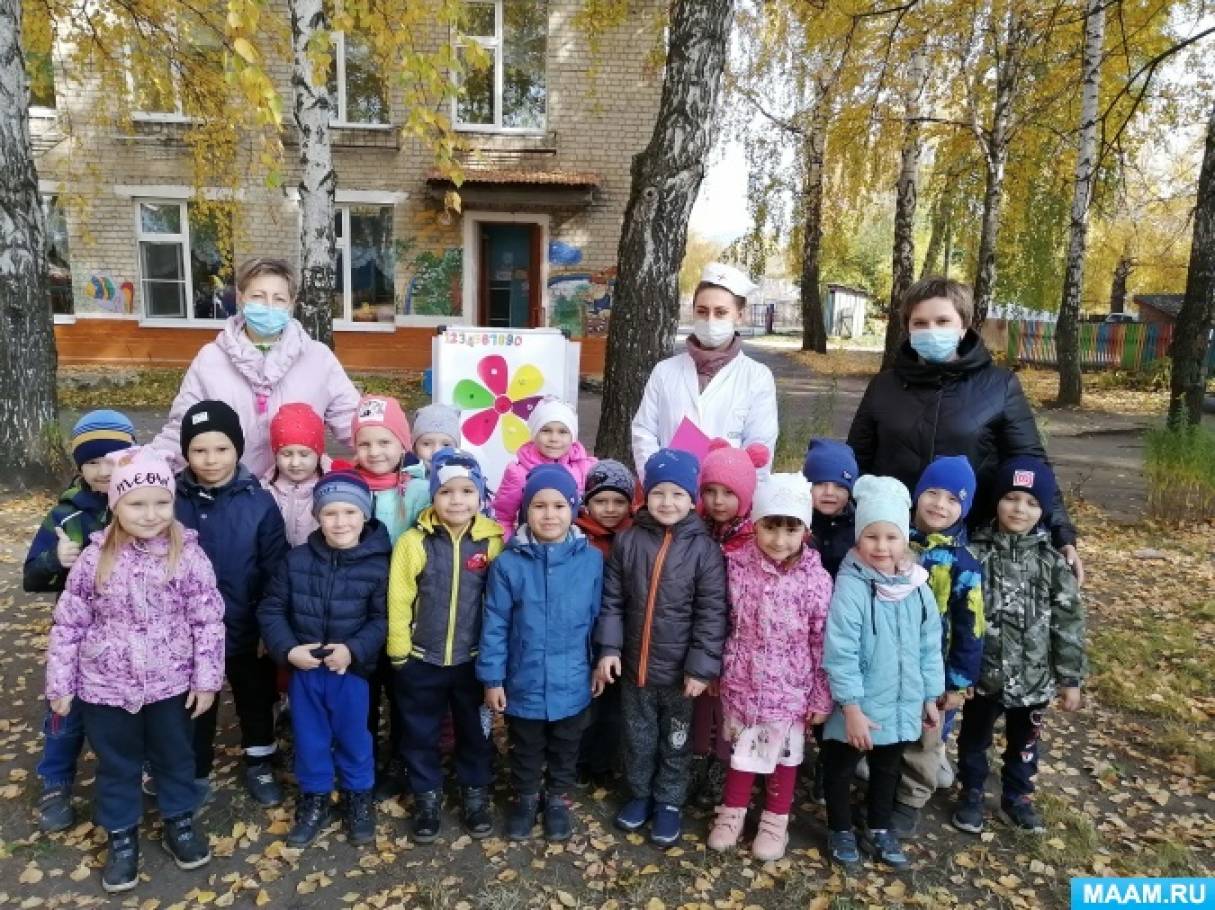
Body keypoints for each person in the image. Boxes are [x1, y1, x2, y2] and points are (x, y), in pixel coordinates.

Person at [44, 447, 224, 893]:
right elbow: (69, 624)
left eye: (161, 502)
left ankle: (179, 819)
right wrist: (61, 684)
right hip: (106, 687)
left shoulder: (188, 555)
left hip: (171, 684)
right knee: (117, 763)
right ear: (116, 505)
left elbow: (207, 620)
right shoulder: (93, 558)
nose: (150, 514)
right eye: (137, 504)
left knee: (175, 756)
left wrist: (206, 678)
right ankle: (121, 834)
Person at [847, 276, 1084, 584]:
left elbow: (1030, 462)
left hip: (971, 544)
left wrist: (1062, 533)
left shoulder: (999, 386)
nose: (931, 330)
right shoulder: (883, 387)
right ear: (908, 329)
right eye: (920, 323)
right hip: (892, 541)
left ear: (964, 326)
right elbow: (856, 462)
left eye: (942, 321)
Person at [594, 448, 728, 846]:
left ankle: (669, 801)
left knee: (676, 741)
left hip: (680, 676)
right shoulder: (629, 540)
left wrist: (701, 668)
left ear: (692, 499)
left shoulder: (704, 549)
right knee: (638, 738)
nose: (667, 502)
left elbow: (711, 612)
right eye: (658, 493)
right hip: (635, 669)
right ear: (645, 495)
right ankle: (639, 794)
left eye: (677, 494)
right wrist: (610, 649)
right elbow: (612, 601)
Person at [953, 457, 1086, 836]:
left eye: (1031, 502)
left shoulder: (1052, 563)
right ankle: (971, 793)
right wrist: (958, 674)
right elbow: (958, 618)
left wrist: (1070, 679)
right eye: (1011, 498)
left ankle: (1017, 798)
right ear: (996, 501)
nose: (1019, 509)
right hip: (984, 678)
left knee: (1024, 745)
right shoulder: (974, 554)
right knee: (974, 741)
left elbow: (1068, 624)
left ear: (1043, 511)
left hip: (1034, 680)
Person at [259, 472, 390, 848]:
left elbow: (384, 618)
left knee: (355, 737)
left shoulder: (379, 564)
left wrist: (354, 650)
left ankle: (357, 796)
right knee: (310, 737)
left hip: (351, 672)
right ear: (317, 516)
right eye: (330, 513)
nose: (340, 521)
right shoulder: (296, 560)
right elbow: (271, 608)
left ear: (364, 515)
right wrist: (288, 651)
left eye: (350, 512)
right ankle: (314, 797)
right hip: (306, 669)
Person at [706, 474, 833, 862]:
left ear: (805, 531)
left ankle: (775, 820)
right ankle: (733, 812)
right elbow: (722, 621)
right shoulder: (735, 567)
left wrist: (821, 695)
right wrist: (716, 669)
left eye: (791, 529)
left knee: (783, 759)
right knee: (742, 752)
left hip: (791, 690)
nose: (779, 540)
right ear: (755, 524)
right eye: (770, 527)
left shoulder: (815, 579)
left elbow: (822, 640)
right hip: (742, 683)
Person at [821, 475, 944, 870]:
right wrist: (851, 707)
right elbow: (840, 650)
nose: (881, 546)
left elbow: (929, 645)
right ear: (859, 537)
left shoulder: (917, 586)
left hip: (901, 700)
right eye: (871, 536)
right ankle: (840, 828)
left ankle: (879, 825)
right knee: (840, 767)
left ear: (904, 539)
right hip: (857, 704)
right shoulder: (851, 586)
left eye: (891, 537)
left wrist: (930, 696)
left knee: (888, 768)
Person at [478, 464, 604, 842]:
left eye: (559, 506)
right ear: (525, 511)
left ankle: (557, 799)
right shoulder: (508, 564)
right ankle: (526, 797)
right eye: (539, 506)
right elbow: (495, 623)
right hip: (525, 678)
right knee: (526, 746)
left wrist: (599, 661)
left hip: (573, 678)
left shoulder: (591, 560)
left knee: (566, 745)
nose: (550, 515)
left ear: (573, 509)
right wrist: (493, 679)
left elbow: (599, 617)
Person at [174, 400, 290, 807]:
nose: (211, 459)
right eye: (199, 450)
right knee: (194, 700)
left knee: (254, 696)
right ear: (186, 452)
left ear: (237, 449)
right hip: (185, 630)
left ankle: (260, 761)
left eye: (221, 449)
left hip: (244, 623)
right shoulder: (170, 500)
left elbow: (275, 570)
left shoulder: (259, 503)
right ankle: (193, 769)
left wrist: (267, 628)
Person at [25, 410, 136, 832]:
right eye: (92, 461)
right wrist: (55, 560)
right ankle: (55, 781)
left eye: (113, 459)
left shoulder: (146, 503)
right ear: (80, 466)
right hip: (79, 632)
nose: (104, 470)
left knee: (131, 706)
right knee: (65, 708)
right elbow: (32, 576)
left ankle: (137, 770)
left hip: (130, 633)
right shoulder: (67, 515)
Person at [152, 257, 361, 477]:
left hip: (300, 490)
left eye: (279, 298)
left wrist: (380, 451)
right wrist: (149, 466)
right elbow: (183, 428)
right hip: (230, 490)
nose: (269, 306)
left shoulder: (317, 358)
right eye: (258, 297)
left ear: (291, 303)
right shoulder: (210, 360)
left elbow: (354, 422)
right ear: (241, 298)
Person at [387, 448, 504, 842]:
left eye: (467, 491)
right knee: (420, 732)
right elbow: (399, 598)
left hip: (473, 661)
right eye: (447, 491)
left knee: (475, 732)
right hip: (422, 659)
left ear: (480, 495)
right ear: (433, 495)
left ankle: (475, 792)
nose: (457, 500)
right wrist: (399, 653)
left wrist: (495, 660)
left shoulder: (491, 542)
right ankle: (427, 794)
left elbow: (499, 604)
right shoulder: (414, 542)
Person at [890, 456, 985, 837]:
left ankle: (910, 799)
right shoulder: (894, 542)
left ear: (965, 507)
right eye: (932, 492)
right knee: (890, 730)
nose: (939, 504)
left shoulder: (964, 565)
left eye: (952, 498)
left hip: (934, 671)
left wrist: (958, 682)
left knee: (925, 737)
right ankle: (881, 785)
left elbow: (971, 628)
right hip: (889, 661)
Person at [631, 262, 778, 476]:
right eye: (702, 311)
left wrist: (733, 490)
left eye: (720, 313)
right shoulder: (664, 371)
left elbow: (760, 447)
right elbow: (644, 432)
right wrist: (658, 481)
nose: (710, 320)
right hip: (668, 490)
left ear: (739, 315)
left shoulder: (757, 377)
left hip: (728, 493)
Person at [689, 438, 770, 810]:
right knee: (699, 708)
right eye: (710, 491)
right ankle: (697, 763)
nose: (718, 501)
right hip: (700, 632)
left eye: (728, 493)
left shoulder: (754, 538)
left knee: (727, 710)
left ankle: (723, 768)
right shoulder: (695, 528)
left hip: (739, 638)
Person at [574, 460, 637, 785]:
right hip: (583, 635)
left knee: (613, 707)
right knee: (586, 703)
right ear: (587, 502)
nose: (610, 509)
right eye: (601, 501)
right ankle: (580, 760)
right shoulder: (576, 535)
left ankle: (602, 762)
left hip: (622, 635)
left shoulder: (635, 536)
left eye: (618, 501)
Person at [492, 397, 597, 540]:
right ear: (534, 434)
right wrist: (508, 546)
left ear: (573, 436)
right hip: (532, 546)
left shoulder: (586, 468)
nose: (554, 438)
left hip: (575, 546)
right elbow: (502, 517)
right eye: (546, 430)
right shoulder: (519, 473)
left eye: (562, 432)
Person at [262, 403, 329, 548]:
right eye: (286, 454)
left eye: (304, 454)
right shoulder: (265, 489)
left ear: (318, 453)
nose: (295, 463)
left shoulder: (333, 488)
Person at [802, 438, 858, 579]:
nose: (829, 492)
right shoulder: (798, 523)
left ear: (850, 492)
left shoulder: (860, 527)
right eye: (820, 484)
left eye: (839, 486)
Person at [401, 403, 462, 531]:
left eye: (446, 445)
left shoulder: (465, 479)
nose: (436, 451)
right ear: (415, 447)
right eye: (426, 444)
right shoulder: (403, 481)